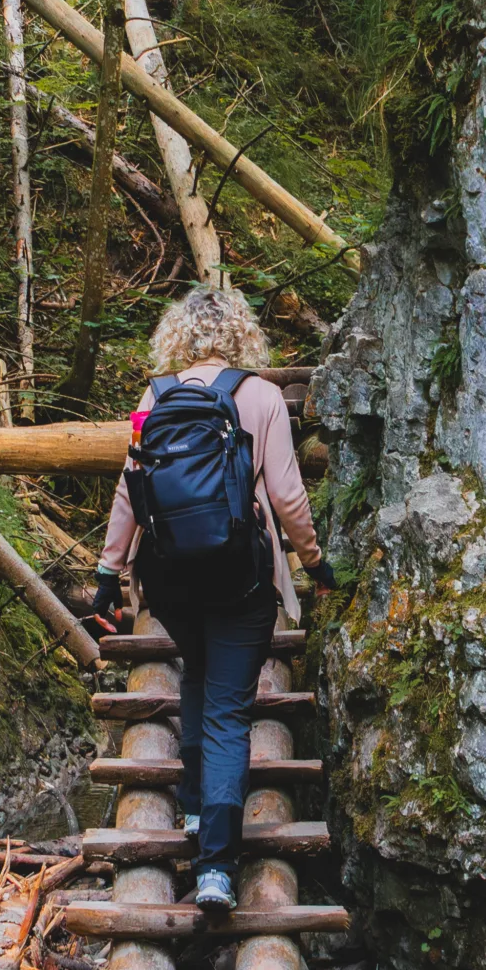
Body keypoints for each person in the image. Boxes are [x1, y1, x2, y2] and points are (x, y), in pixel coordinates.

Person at [89, 287, 335, 913]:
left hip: (168, 576)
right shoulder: (260, 395)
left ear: (176, 337)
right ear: (243, 335)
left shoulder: (156, 396)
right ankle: (217, 869)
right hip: (240, 576)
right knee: (229, 710)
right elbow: (286, 493)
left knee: (197, 673)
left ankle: (197, 812)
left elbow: (130, 488)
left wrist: (107, 573)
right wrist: (313, 561)